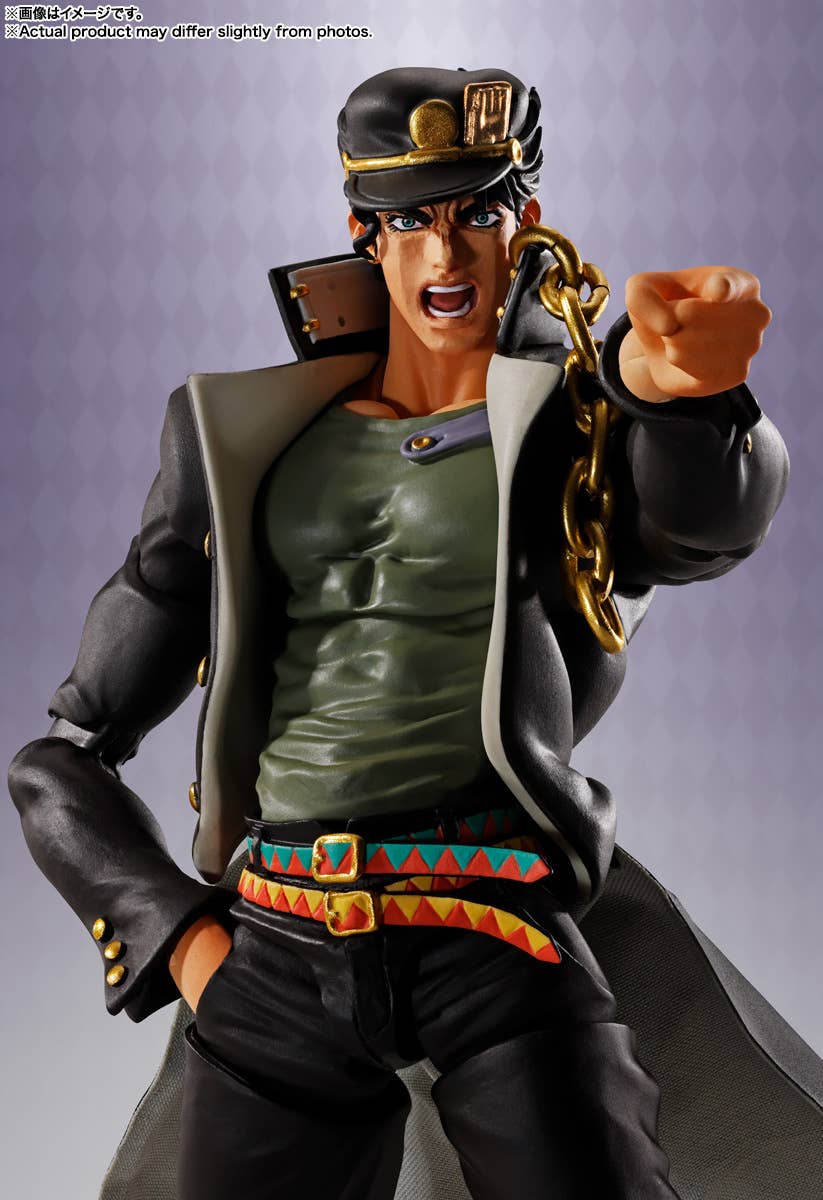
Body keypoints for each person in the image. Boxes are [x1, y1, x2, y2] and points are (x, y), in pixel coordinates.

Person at [8, 65, 812, 1200]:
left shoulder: (572, 417)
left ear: (523, 222)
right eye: (410, 220)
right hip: (278, 939)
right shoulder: (239, 436)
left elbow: (686, 533)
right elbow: (67, 753)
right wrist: (184, 944)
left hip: (492, 929)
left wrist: (683, 394)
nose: (446, 252)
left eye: (477, 212)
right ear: (364, 234)